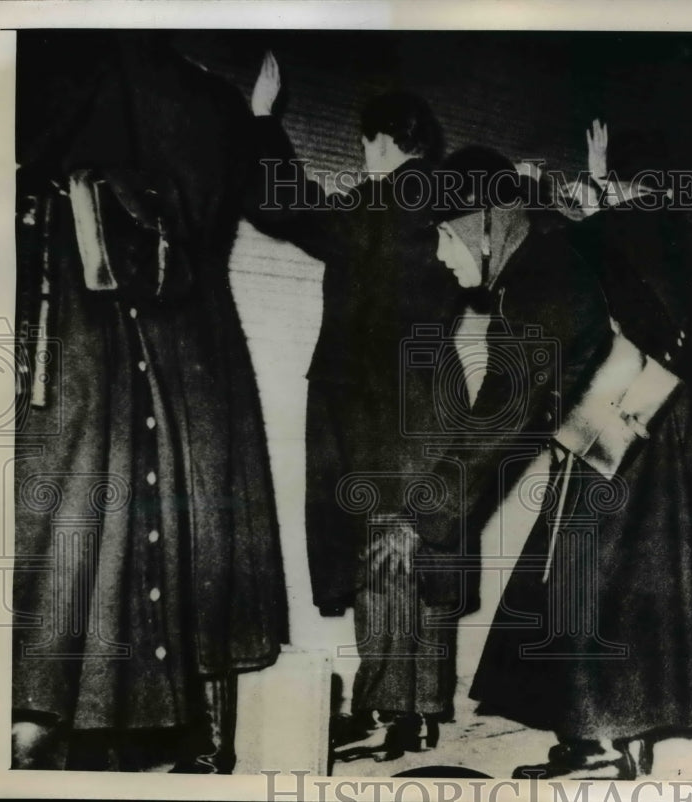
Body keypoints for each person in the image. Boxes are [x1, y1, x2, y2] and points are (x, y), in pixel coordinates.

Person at [422, 131, 692, 780]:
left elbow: (508, 402)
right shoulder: (586, 248)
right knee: (582, 577)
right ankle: (596, 735)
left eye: (446, 235)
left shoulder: (555, 262)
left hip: (643, 429)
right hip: (651, 421)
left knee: (606, 580)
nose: (440, 254)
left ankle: (621, 736)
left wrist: (428, 510)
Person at [12, 32, 288, 773]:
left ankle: (51, 727)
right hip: (195, 344)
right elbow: (284, 206)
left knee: (72, 527)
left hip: (83, 321)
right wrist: (262, 123)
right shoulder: (217, 101)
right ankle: (188, 738)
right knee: (186, 526)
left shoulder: (56, 58)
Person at [248, 53, 463, 759]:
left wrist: (260, 124)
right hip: (435, 397)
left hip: (376, 404)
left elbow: (286, 207)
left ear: (378, 142)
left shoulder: (381, 202)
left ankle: (387, 715)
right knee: (424, 546)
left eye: (363, 144)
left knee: (381, 550)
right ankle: (424, 709)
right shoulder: (446, 199)